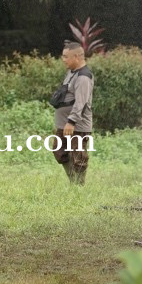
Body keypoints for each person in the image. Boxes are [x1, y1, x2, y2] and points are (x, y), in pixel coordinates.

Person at [50, 42, 94, 185]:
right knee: (59, 152)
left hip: (77, 126)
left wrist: (71, 122)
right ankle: (73, 182)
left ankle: (78, 187)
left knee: (78, 157)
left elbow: (81, 102)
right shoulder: (71, 73)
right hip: (64, 124)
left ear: (76, 57)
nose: (63, 59)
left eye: (66, 56)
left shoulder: (84, 77)